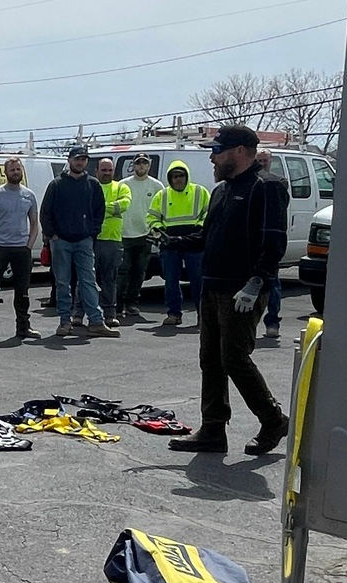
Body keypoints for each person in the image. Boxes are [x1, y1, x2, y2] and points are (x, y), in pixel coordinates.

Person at [167, 125, 290, 456]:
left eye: (217, 150)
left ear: (239, 151)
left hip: (242, 291)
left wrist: (256, 283)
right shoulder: (222, 191)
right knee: (211, 359)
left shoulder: (267, 188)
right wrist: (175, 241)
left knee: (234, 358)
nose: (212, 156)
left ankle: (274, 419)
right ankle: (212, 429)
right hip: (213, 287)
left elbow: (274, 241)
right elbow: (208, 237)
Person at [40, 146, 117, 338]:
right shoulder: (56, 184)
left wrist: (92, 233)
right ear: (69, 160)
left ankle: (96, 322)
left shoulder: (93, 184)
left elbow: (99, 211)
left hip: (84, 241)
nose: (80, 162)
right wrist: (52, 235)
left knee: (88, 282)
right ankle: (65, 322)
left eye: (83, 159)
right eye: (77, 159)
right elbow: (45, 212)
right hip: (61, 242)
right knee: (63, 283)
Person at [0, 158, 41, 342]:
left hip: (21, 249)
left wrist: (29, 245)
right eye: (12, 169)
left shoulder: (29, 195)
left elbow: (34, 223)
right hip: (0, 249)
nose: (15, 172)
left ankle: (23, 327)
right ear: (5, 172)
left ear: (22, 171)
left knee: (23, 291)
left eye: (18, 169)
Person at [148, 159, 210, 327]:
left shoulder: (200, 191)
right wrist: (161, 231)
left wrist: (199, 228)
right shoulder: (162, 195)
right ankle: (173, 314)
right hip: (170, 243)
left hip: (194, 241)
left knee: (198, 280)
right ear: (170, 178)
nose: (178, 179)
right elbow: (152, 217)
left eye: (181, 175)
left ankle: (203, 315)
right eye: (174, 176)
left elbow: (209, 214)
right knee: (170, 280)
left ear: (186, 176)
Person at [118, 154, 161, 317]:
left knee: (139, 272)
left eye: (144, 163)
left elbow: (161, 209)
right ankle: (118, 304)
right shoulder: (123, 185)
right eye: (138, 163)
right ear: (133, 166)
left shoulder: (156, 186)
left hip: (145, 235)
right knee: (122, 271)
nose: (141, 166)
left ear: (149, 166)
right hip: (124, 234)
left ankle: (132, 303)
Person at [255, 148, 288, 339]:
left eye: (264, 160)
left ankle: (272, 321)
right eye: (258, 160)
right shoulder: (250, 182)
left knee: (273, 284)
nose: (262, 164)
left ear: (271, 161)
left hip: (271, 241)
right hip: (253, 241)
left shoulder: (279, 182)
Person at [95, 158, 131, 327]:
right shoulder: (91, 187)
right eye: (103, 170)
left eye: (109, 170)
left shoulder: (121, 187)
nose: (107, 173)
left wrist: (100, 208)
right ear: (97, 171)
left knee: (110, 279)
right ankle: (79, 314)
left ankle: (110, 314)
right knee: (85, 279)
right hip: (92, 239)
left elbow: (123, 206)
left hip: (113, 240)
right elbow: (87, 207)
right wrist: (110, 209)